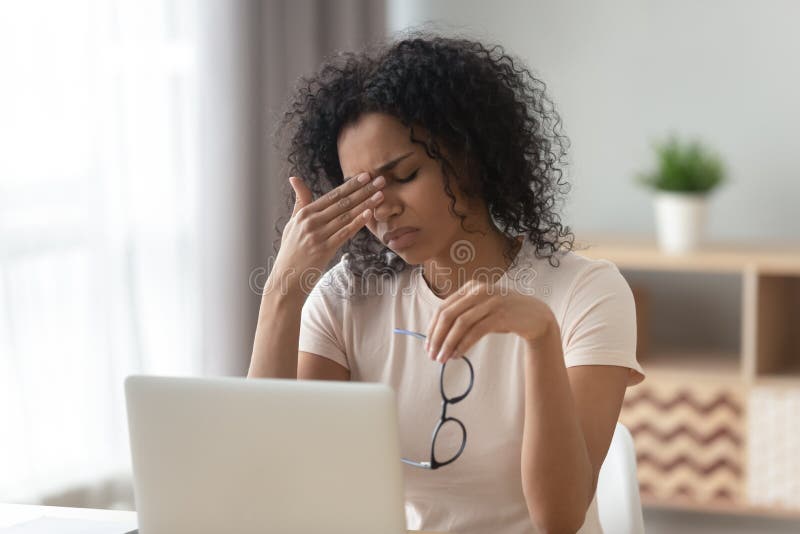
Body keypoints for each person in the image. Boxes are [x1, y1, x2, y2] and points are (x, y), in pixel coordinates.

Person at [248, 30, 645, 534]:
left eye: (405, 175)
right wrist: (284, 289)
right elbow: (269, 482)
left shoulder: (586, 293)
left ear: (471, 159)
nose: (382, 207)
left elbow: (559, 518)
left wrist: (540, 337)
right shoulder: (347, 298)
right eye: (360, 190)